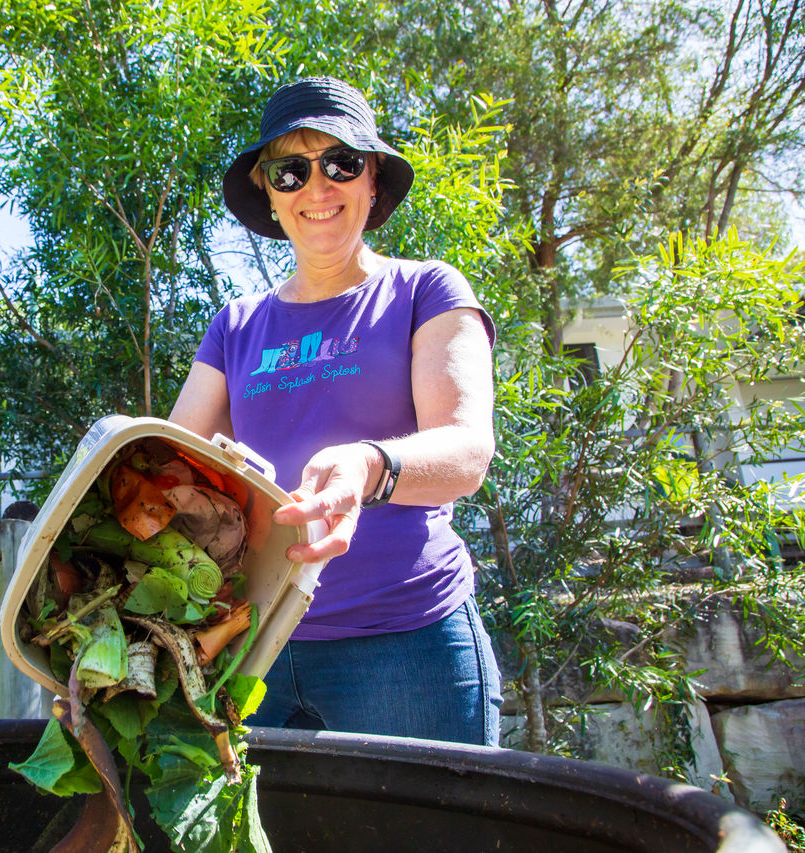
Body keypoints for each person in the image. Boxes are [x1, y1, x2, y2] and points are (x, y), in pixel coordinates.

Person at [169, 76, 502, 746]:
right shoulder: (235, 326)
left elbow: (468, 453)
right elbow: (171, 459)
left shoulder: (426, 289)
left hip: (407, 646)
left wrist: (370, 464)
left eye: (340, 163)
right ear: (268, 190)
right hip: (257, 647)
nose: (317, 188)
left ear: (372, 178)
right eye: (291, 170)